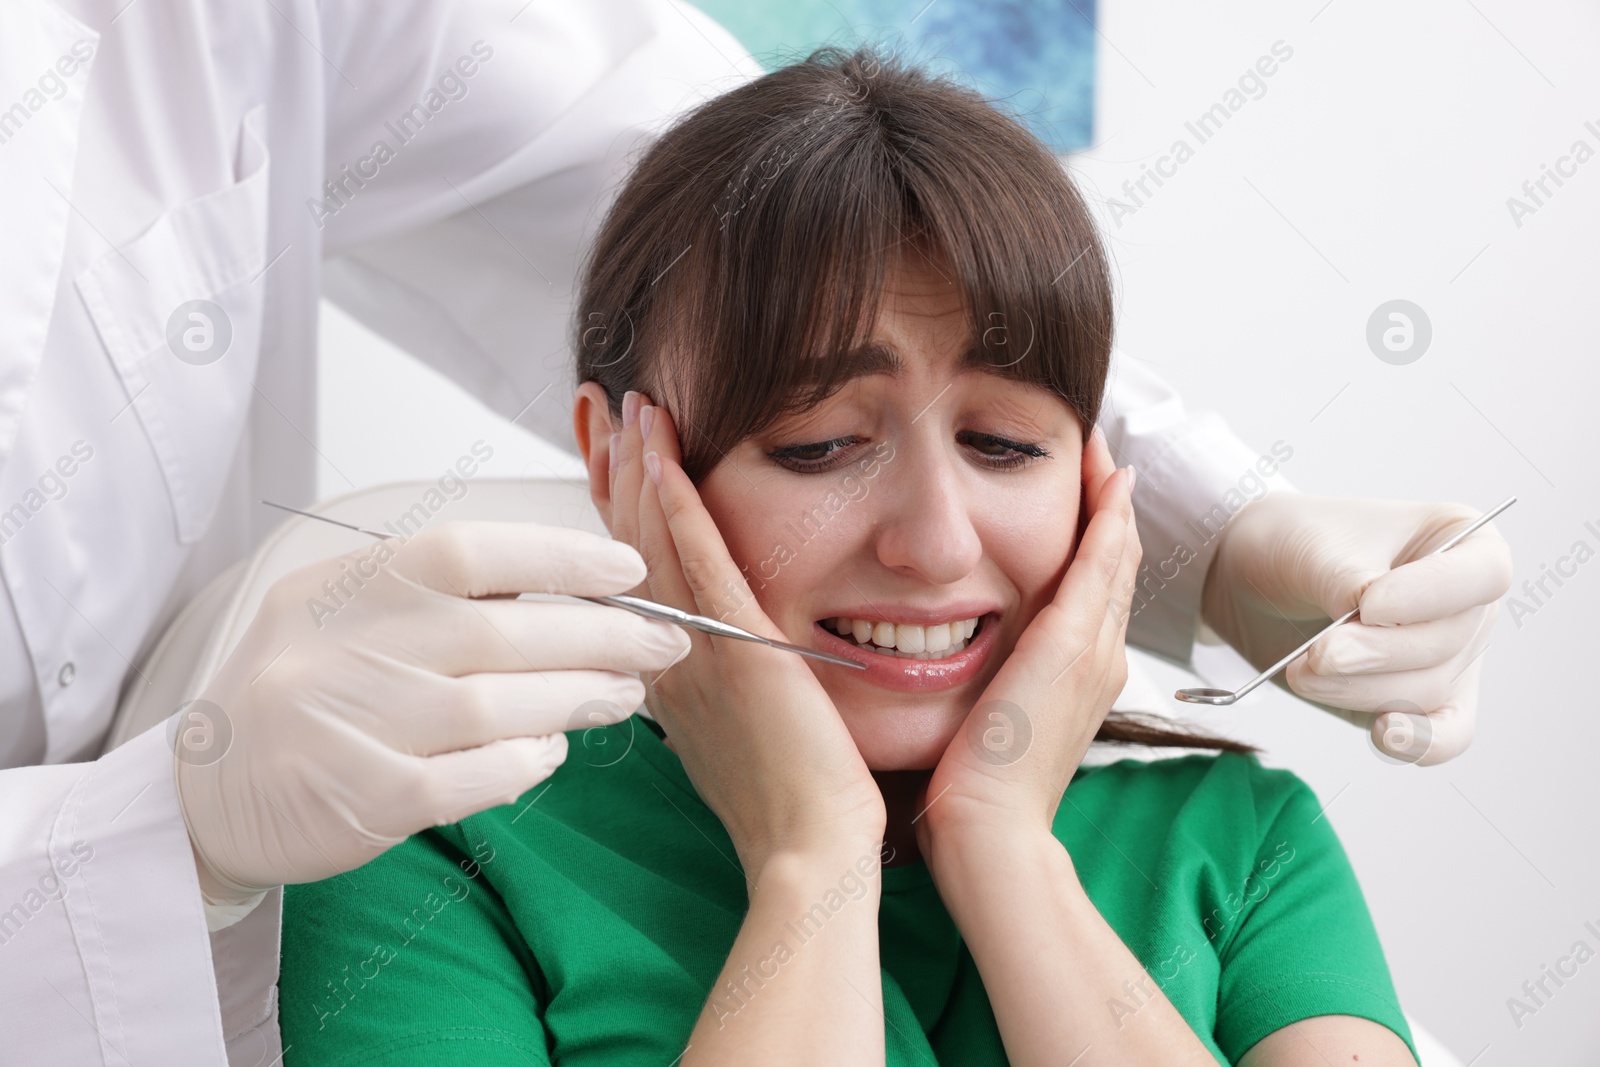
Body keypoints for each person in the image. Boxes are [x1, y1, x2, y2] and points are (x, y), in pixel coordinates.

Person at [0, 2, 1509, 1063]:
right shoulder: (434, 868)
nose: (932, 539)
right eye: (819, 446)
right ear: (622, 462)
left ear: (1096, 481)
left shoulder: (1242, 844)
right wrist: (811, 862)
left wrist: (1006, 838)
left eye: (1006, 444)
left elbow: (652, 165)